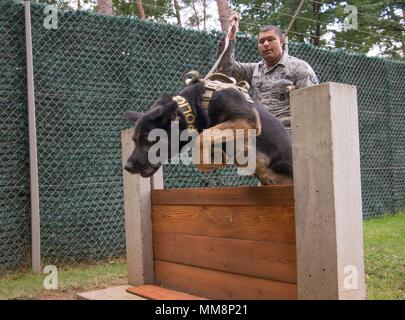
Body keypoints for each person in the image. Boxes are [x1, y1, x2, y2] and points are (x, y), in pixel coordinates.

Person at [215, 13, 319, 132]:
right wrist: (231, 36)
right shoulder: (255, 70)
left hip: (288, 135)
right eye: (261, 41)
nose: (266, 44)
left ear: (281, 41)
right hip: (260, 135)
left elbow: (312, 107)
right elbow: (226, 69)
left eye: (271, 39)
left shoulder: (299, 68)